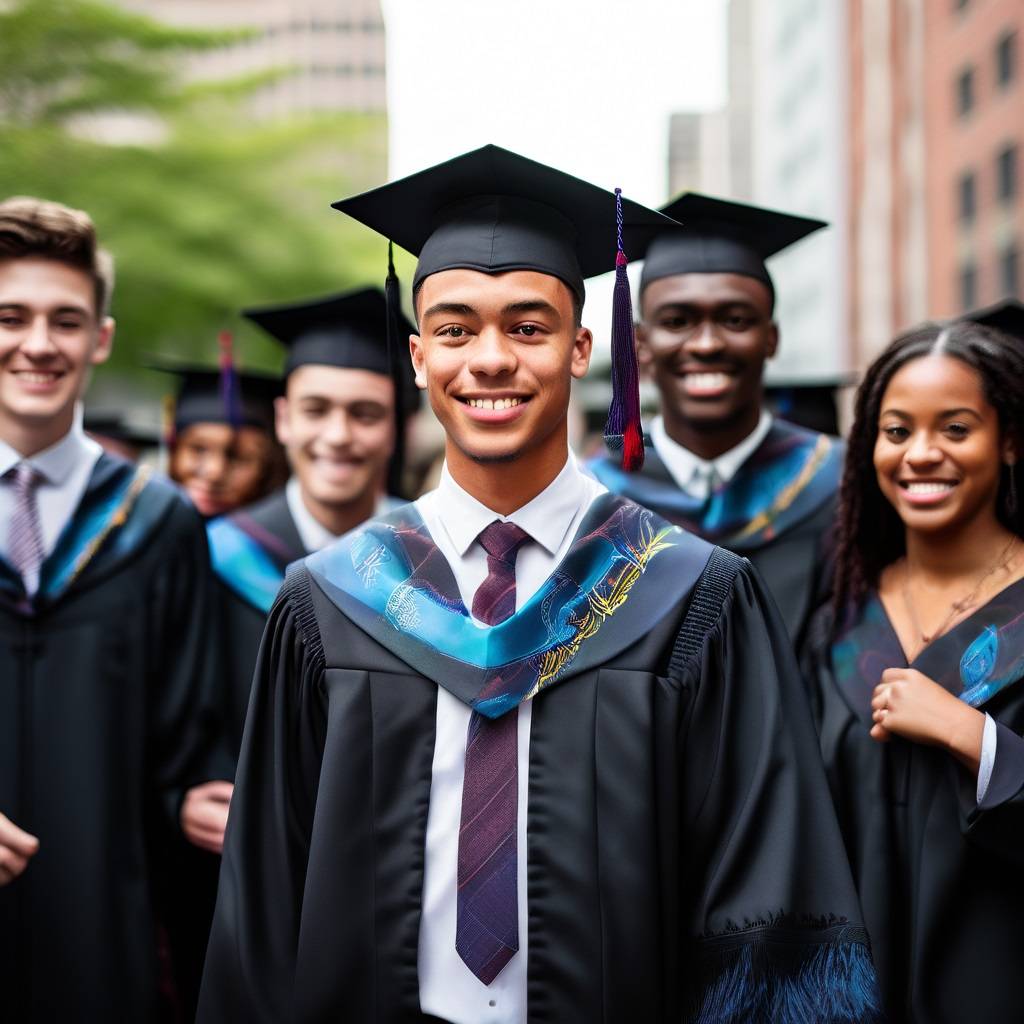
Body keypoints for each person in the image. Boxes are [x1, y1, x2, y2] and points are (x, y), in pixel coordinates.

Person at [198, 146, 879, 1024]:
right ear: (416, 357)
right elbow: (263, 902)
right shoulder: (328, 602)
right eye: (454, 329)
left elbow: (765, 888)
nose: (489, 359)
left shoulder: (691, 596)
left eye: (527, 327)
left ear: (582, 348)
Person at [0, 197, 219, 1019]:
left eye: (65, 320)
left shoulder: (157, 521)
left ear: (100, 338)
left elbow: (186, 735)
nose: (37, 344)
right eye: (10, 317)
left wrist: (195, 797)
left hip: (105, 935)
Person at [802, 314, 1024, 1022]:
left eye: (956, 429)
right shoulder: (839, 617)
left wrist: (974, 737)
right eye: (896, 431)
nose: (920, 454)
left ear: (1010, 440)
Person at [589, 193, 844, 646]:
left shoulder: (837, 481)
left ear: (771, 339)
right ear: (640, 344)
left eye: (735, 319)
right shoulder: (595, 493)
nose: (706, 344)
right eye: (678, 320)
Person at [206, 286, 419, 754]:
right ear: (283, 420)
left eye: (365, 414)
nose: (338, 435)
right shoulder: (217, 557)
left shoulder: (427, 558)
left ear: (395, 430)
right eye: (315, 410)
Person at [156, 353, 286, 519]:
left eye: (237, 457)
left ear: (268, 467)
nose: (214, 472)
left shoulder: (274, 544)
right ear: (173, 449)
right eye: (198, 450)